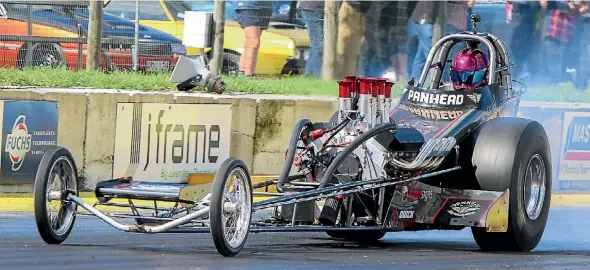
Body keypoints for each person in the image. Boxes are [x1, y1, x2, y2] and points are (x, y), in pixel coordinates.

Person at [234, 0, 274, 77]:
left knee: (252, 42)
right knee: (253, 42)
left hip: (265, 6)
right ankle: (248, 75)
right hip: (248, 5)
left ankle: (243, 72)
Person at [298, 0, 324, 78]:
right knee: (318, 44)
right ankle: (317, 76)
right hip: (312, 9)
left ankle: (309, 74)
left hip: (317, 8)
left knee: (316, 44)